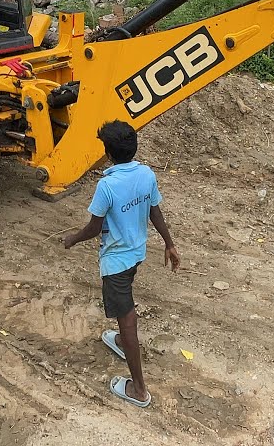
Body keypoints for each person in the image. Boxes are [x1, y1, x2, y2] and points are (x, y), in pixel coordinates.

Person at [62, 120, 180, 408]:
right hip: (136, 253)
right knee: (125, 302)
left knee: (127, 318)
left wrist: (72, 239)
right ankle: (121, 341)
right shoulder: (145, 174)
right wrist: (169, 243)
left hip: (115, 261)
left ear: (108, 152)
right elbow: (155, 211)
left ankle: (139, 390)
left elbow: (93, 228)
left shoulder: (107, 186)